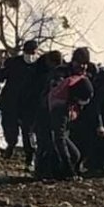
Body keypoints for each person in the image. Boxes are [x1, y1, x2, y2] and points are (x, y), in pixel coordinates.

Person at [0, 39, 39, 166]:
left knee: (28, 132)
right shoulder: (13, 63)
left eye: (33, 53)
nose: (30, 57)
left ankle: (29, 157)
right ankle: (11, 145)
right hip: (11, 103)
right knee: (9, 129)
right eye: (28, 53)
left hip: (29, 106)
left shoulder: (39, 67)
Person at [48, 74, 94, 179]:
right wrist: (69, 168)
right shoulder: (60, 106)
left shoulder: (74, 83)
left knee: (75, 155)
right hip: (50, 129)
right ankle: (59, 173)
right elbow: (59, 137)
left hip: (62, 128)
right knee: (69, 154)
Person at [32, 50, 64, 179]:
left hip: (45, 113)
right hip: (44, 114)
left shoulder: (51, 74)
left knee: (47, 144)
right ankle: (42, 171)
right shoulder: (43, 74)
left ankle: (46, 170)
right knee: (45, 143)